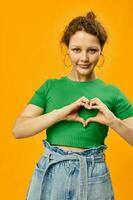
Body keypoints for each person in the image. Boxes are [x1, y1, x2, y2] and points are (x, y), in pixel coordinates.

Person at [12, 11, 133, 200]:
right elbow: (18, 130)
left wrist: (113, 121)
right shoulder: (51, 87)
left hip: (93, 175)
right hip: (51, 172)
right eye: (77, 50)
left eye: (92, 50)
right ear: (67, 49)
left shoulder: (112, 93)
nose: (84, 58)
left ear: (101, 50)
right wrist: (60, 113)